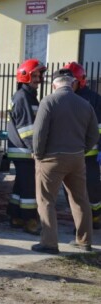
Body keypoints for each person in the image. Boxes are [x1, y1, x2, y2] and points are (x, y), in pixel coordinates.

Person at [31, 68, 98, 254]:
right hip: (77, 158)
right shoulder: (85, 104)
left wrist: (38, 154)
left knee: (46, 200)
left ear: (54, 84)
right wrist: (82, 150)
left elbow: (40, 133)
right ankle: (84, 241)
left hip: (51, 159)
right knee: (80, 199)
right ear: (72, 83)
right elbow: (94, 134)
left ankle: (49, 243)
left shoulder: (49, 101)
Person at [6, 58, 46, 235]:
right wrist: (35, 150)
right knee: (30, 187)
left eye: (39, 75)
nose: (38, 78)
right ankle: (30, 221)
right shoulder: (23, 97)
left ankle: (15, 217)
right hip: (25, 150)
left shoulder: (27, 96)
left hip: (21, 150)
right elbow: (27, 129)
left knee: (21, 185)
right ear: (25, 77)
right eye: (34, 75)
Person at [63, 62, 101, 230]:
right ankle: (80, 221)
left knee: (92, 187)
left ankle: (96, 217)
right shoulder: (63, 97)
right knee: (72, 190)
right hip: (70, 153)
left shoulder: (94, 99)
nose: (68, 84)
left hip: (89, 154)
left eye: (71, 81)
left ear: (80, 80)